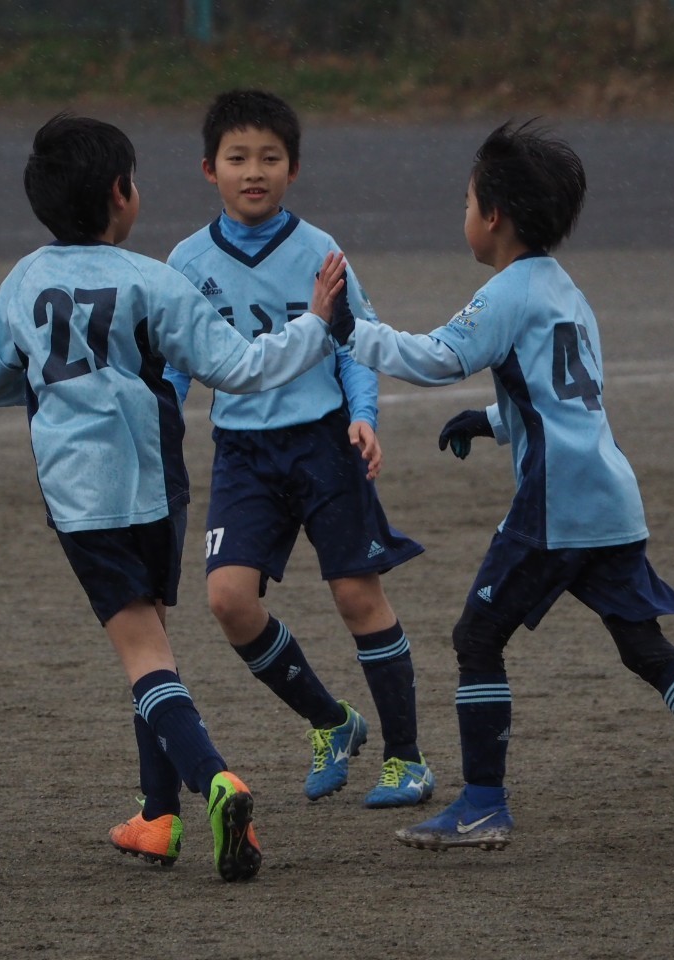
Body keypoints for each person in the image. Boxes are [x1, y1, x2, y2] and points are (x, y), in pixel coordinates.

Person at [335, 121, 674, 865]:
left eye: (467, 200)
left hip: (557, 504)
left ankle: (483, 804)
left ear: (495, 218)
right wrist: (490, 421)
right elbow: (562, 399)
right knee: (643, 644)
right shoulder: (567, 292)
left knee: (477, 637)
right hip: (610, 496)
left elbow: (437, 356)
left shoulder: (504, 292)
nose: (465, 214)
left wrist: (348, 329)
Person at [0, 112, 350, 881]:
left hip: (81, 499)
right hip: (154, 487)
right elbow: (240, 366)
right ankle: (157, 816)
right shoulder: (152, 280)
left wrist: (47, 377)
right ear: (122, 193)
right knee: (157, 644)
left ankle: (215, 779)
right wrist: (313, 324)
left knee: (144, 658)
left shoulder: (24, 280)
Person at [163, 90, 434, 808]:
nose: (254, 171)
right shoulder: (186, 264)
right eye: (238, 158)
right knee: (228, 601)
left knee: (355, 594)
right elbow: (171, 363)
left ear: (294, 168)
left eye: (270, 158)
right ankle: (332, 720)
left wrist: (365, 416)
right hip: (243, 454)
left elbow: (354, 344)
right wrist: (152, 419)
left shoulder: (321, 251)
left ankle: (406, 758)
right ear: (208, 169)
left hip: (322, 445)